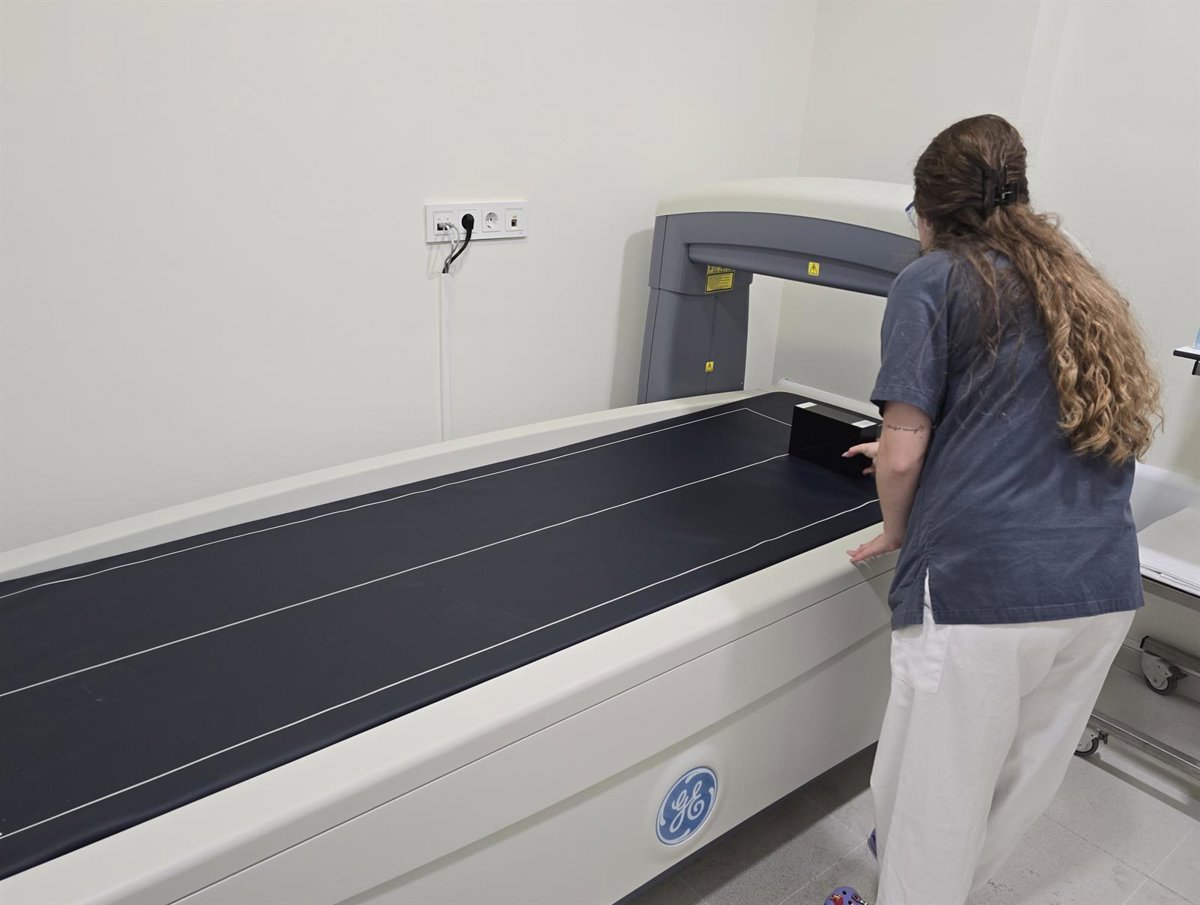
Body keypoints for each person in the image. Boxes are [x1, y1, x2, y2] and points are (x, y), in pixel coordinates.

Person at [823, 114, 1162, 905]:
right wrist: (924, 446)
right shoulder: (1076, 277)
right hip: (1100, 587)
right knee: (1011, 787)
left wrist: (898, 527)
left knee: (928, 805)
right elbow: (1020, 413)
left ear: (927, 213)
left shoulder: (932, 279)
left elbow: (901, 454)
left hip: (983, 592)